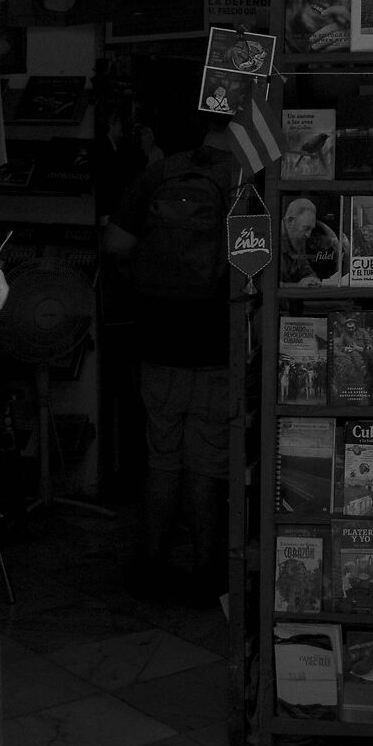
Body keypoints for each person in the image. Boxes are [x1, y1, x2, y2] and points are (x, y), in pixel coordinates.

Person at [103, 114, 245, 606]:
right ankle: (209, 573)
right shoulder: (246, 181)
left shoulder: (161, 174)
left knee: (162, 456)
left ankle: (152, 566)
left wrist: (145, 283)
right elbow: (259, 270)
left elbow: (115, 243)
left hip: (159, 340)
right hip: (216, 343)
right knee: (208, 462)